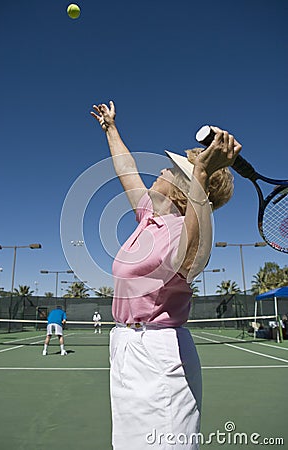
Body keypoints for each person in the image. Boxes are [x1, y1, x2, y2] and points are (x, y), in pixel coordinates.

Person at [91, 101, 241, 449]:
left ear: (182, 186)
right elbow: (126, 168)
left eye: (171, 168)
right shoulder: (149, 218)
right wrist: (111, 129)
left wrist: (201, 175)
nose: (161, 169)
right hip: (126, 347)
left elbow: (192, 255)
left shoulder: (185, 231)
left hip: (160, 353)